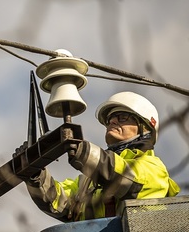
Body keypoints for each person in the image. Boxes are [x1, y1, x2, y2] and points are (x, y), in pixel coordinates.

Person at [26, 91, 180, 221]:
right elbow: (59, 203)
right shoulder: (88, 184)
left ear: (145, 128)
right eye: (110, 119)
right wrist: (35, 174)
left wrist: (83, 151)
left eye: (122, 117)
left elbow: (122, 176)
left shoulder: (154, 169)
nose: (112, 121)